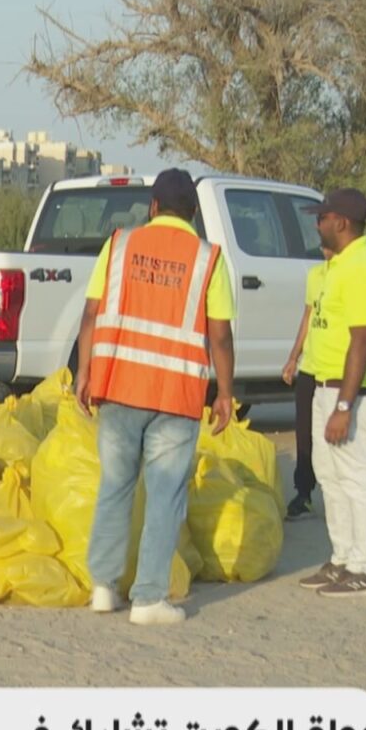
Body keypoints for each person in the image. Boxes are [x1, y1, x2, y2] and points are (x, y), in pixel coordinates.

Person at [74, 168, 236, 626]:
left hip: (119, 385)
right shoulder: (208, 259)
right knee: (165, 495)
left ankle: (104, 588)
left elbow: (91, 314)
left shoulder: (119, 244)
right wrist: (225, 393)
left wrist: (84, 372)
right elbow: (220, 335)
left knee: (115, 485)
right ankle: (148, 599)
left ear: (153, 208)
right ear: (193, 214)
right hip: (175, 394)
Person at [296, 189, 366, 598]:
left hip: (355, 394)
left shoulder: (362, 268)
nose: (317, 224)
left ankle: (364, 570)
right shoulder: (339, 265)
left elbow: (362, 341)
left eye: (322, 217)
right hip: (326, 385)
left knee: (357, 479)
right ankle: (342, 559)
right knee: (330, 477)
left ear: (341, 222)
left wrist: (344, 406)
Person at [281, 244, 335, 521]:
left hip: (336, 371)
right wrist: (294, 357)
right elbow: (308, 317)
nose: (325, 248)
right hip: (310, 367)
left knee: (335, 437)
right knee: (304, 432)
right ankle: (304, 493)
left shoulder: (350, 275)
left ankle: (338, 495)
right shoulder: (315, 275)